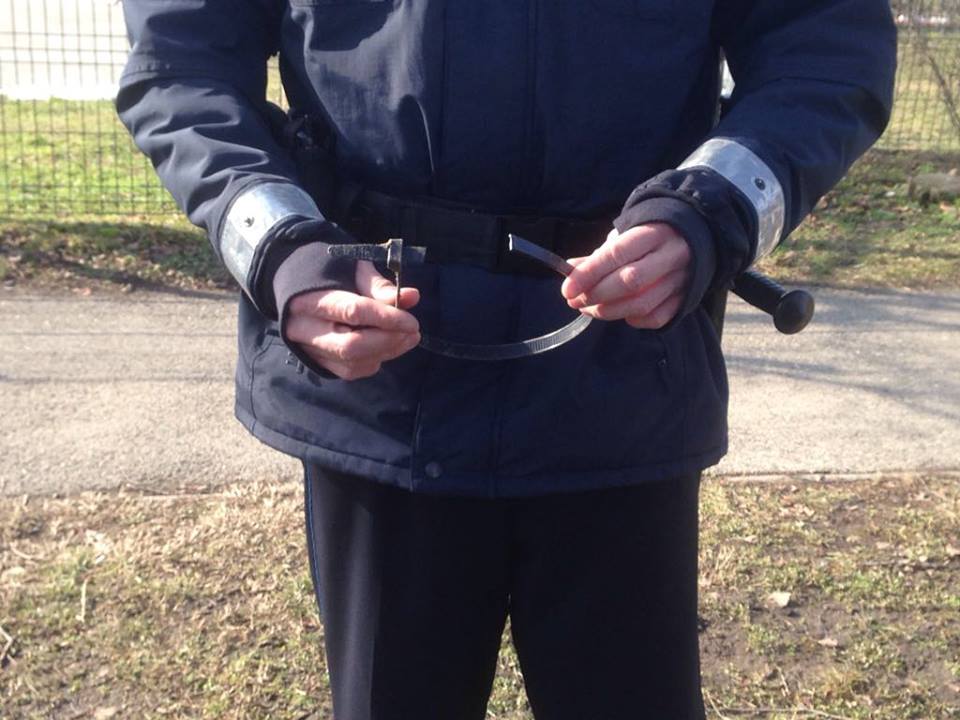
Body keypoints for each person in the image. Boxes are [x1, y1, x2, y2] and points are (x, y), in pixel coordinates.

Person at [116, 2, 896, 718]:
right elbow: (181, 65)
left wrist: (714, 205)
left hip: (620, 386)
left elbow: (825, 47)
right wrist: (279, 246)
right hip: (381, 401)